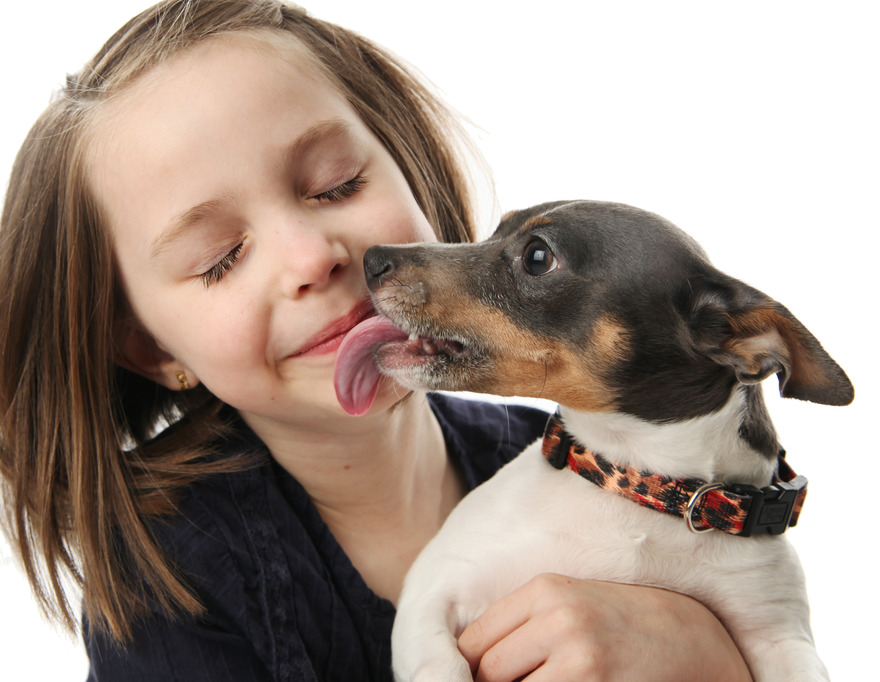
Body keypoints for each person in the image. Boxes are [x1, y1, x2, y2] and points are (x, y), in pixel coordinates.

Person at [0, 1, 752, 679]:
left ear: (410, 169)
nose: (311, 257)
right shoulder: (170, 581)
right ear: (154, 351)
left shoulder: (584, 460)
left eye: (336, 185)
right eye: (220, 260)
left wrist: (711, 661)